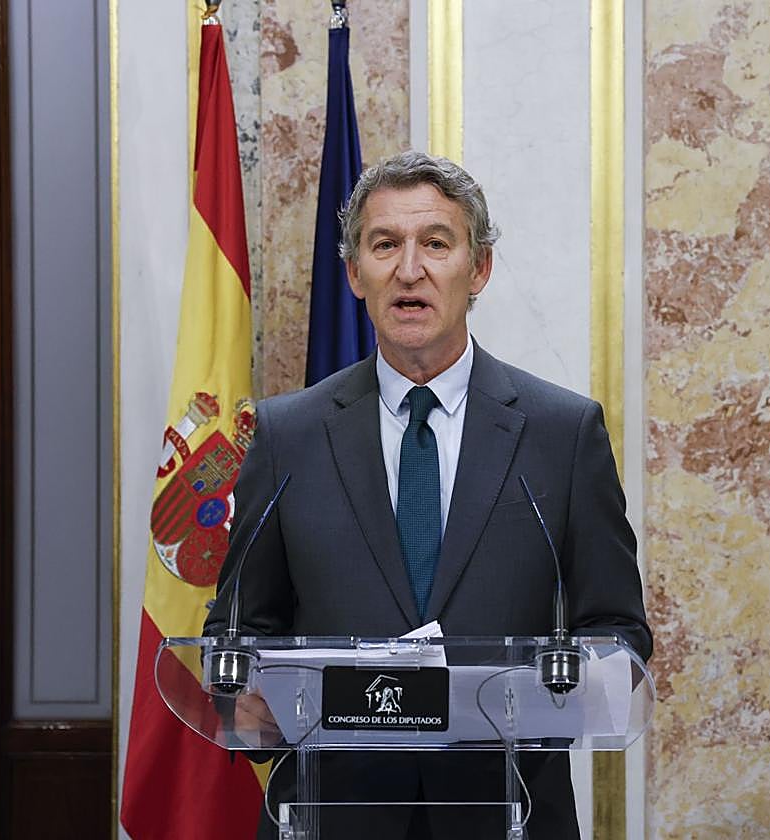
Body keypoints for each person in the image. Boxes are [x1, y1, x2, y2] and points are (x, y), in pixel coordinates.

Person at [204, 150, 651, 839]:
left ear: (479, 270)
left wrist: (552, 691)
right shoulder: (287, 434)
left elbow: (617, 632)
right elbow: (235, 634)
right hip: (330, 816)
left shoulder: (562, 433)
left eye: (435, 244)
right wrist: (241, 694)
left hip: (509, 815)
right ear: (355, 273)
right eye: (385, 245)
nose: (409, 268)